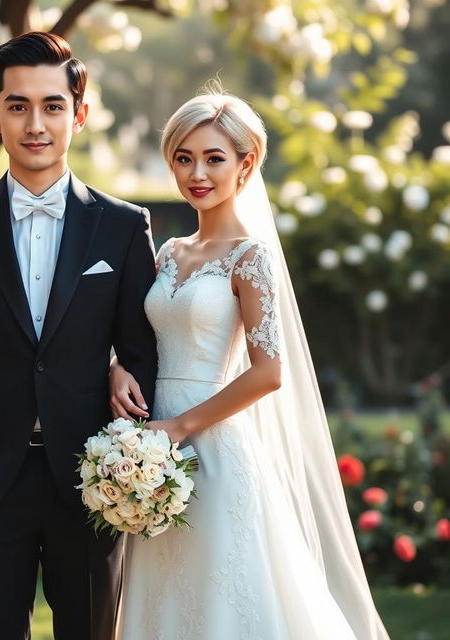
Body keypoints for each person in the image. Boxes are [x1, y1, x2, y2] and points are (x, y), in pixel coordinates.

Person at [110, 89, 390, 639]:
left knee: (223, 593)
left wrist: (182, 427)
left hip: (210, 443)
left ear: (246, 163)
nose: (197, 173)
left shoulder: (250, 255)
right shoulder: (169, 251)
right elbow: (143, 339)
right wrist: (117, 368)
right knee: (163, 590)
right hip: (150, 451)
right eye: (184, 158)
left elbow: (269, 372)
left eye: (214, 158)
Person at [0, 31, 157, 640]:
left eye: (52, 105)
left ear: (80, 113)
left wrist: (126, 454)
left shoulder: (124, 228)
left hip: (94, 481)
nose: (36, 123)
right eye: (18, 106)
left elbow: (145, 351)